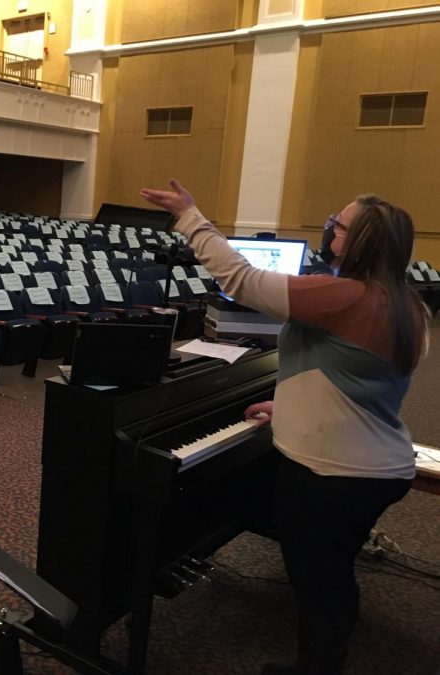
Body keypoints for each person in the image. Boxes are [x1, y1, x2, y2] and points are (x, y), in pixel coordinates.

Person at [140, 180, 429, 675]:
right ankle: (327, 657)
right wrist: (289, 406)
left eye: (336, 227)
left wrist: (190, 214)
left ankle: (317, 667)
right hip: (383, 467)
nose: (329, 232)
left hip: (332, 476)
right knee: (334, 573)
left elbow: (240, 278)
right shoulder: (410, 306)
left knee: (318, 581)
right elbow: (356, 383)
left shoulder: (344, 297)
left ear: (359, 242)